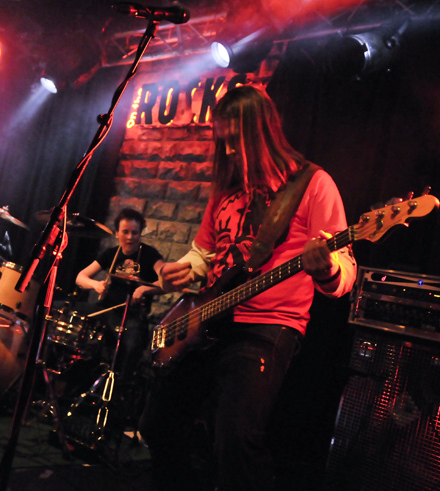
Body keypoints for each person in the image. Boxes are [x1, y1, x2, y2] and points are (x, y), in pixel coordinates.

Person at [138, 85, 357, 491]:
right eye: (222, 141)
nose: (229, 151)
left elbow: (345, 272)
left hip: (269, 325)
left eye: (235, 140)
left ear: (261, 133)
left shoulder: (311, 183)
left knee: (236, 440)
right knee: (157, 425)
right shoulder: (226, 189)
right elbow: (204, 253)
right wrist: (182, 270)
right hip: (208, 320)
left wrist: (325, 266)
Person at [75, 208, 164, 385]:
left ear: (140, 233)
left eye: (135, 232)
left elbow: (166, 282)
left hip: (133, 315)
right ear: (117, 233)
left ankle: (118, 389)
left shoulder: (149, 254)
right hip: (105, 309)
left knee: (130, 347)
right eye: (125, 232)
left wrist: (143, 290)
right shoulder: (111, 254)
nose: (130, 237)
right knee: (63, 311)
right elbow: (80, 277)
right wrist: (95, 284)